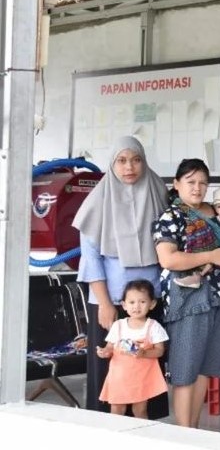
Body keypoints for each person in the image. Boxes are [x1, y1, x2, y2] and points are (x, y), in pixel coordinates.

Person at [73, 136, 170, 418]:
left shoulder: (158, 192)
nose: (130, 167)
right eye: (122, 160)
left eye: (136, 159)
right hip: (111, 301)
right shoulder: (97, 202)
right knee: (110, 368)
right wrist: (104, 303)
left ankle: (146, 425)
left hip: (150, 302)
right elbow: (90, 259)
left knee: (146, 364)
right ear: (112, 164)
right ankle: (109, 427)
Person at [153, 158, 220, 429]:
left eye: (203, 183)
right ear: (176, 185)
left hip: (218, 299)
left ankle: (194, 430)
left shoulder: (216, 214)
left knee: (204, 369)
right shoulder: (171, 217)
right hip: (187, 300)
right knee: (185, 369)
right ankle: (184, 433)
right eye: (190, 182)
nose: (197, 188)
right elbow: (169, 259)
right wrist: (211, 254)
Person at [96, 279, 168, 418]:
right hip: (119, 377)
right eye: (132, 302)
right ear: (124, 305)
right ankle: (117, 436)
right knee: (117, 409)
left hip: (141, 378)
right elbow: (110, 346)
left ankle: (141, 436)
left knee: (140, 410)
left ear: (152, 304)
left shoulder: (153, 326)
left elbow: (160, 350)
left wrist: (144, 353)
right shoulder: (118, 325)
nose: (137, 306)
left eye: (142, 302)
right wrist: (105, 352)